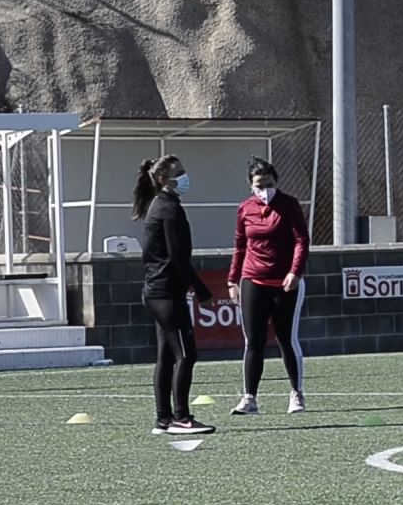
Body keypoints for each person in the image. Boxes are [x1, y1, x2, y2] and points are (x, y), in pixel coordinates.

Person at [132, 155, 215, 435]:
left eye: (184, 170)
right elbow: (178, 257)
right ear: (162, 179)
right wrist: (201, 288)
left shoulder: (160, 205)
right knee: (185, 355)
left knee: (166, 356)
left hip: (157, 292)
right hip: (166, 293)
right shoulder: (168, 208)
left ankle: (163, 418)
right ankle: (181, 417)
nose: (184, 177)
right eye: (178, 173)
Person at [227, 157, 310, 415]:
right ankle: (249, 397)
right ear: (250, 186)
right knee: (254, 341)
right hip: (253, 279)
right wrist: (233, 279)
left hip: (284, 283)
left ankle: (296, 393)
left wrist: (295, 272)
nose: (264, 190)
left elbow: (301, 240)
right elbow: (241, 245)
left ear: (276, 181)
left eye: (269, 184)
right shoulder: (245, 209)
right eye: (258, 186)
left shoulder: (289, 205)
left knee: (286, 338)